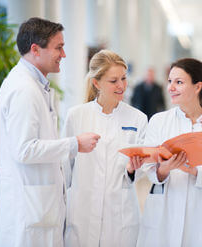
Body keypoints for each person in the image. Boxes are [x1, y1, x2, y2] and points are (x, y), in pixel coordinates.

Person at [0, 18, 99, 247]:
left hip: (38, 209)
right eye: (58, 47)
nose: (64, 54)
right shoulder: (23, 90)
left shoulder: (34, 85)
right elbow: (24, 149)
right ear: (35, 50)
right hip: (29, 211)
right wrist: (74, 144)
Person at [136, 58, 202, 247]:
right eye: (169, 81)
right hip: (164, 213)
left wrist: (195, 171)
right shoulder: (159, 121)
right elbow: (148, 167)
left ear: (197, 86)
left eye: (179, 82)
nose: (171, 88)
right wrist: (163, 170)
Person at [63, 50, 148, 247]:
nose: (121, 86)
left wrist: (133, 170)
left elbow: (142, 170)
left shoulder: (138, 119)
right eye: (113, 81)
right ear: (96, 83)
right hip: (82, 214)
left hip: (120, 216)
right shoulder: (76, 116)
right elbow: (65, 169)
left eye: (124, 79)